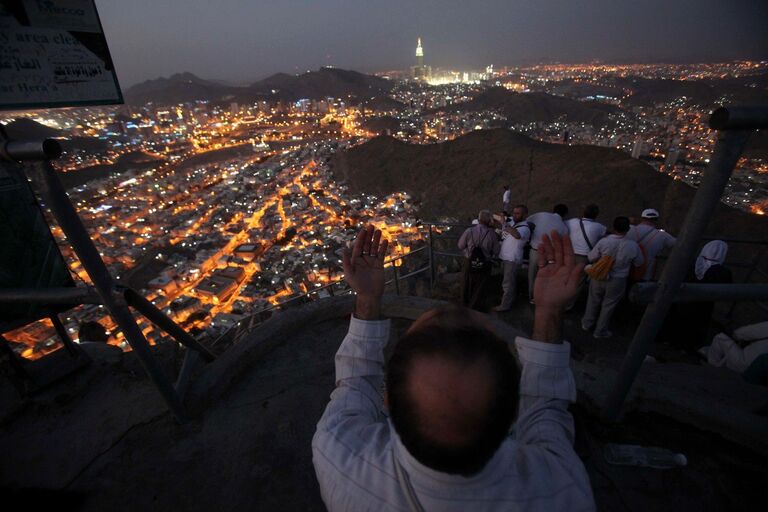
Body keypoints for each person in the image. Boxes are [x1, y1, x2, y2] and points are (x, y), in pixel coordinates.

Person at [312, 225, 595, 511]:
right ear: (514, 416)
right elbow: (546, 412)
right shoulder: (562, 491)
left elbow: (354, 383)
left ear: (386, 402)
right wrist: (548, 312)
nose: (453, 311)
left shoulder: (338, 451)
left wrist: (368, 299)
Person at [660, 240, 733, 352]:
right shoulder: (723, 272)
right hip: (704, 304)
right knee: (697, 323)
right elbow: (726, 289)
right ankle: (688, 345)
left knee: (678, 318)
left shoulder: (692, 264)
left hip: (683, 300)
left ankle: (670, 339)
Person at [581, 217, 644, 339]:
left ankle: (587, 323)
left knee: (593, 300)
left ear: (613, 227)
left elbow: (591, 257)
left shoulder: (604, 242)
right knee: (609, 305)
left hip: (599, 276)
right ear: (627, 229)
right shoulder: (633, 245)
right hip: (618, 279)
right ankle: (600, 331)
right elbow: (639, 262)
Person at [565, 204, 607, 309]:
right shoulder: (600, 227)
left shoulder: (572, 222)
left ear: (583, 212)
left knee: (564, 278)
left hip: (568, 254)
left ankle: (559, 300)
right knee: (577, 282)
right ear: (596, 215)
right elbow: (607, 235)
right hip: (584, 258)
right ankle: (568, 305)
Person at [457, 210, 500, 311]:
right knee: (480, 286)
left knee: (466, 283)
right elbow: (497, 251)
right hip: (485, 263)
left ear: (479, 219)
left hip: (469, 261)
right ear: (489, 220)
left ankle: (464, 306)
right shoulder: (492, 234)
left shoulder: (469, 231)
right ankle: (475, 308)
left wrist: (468, 251)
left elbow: (460, 245)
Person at [526, 204, 569, 302]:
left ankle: (531, 296)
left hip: (535, 251)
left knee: (532, 275)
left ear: (553, 209)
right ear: (565, 214)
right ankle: (540, 297)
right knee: (543, 276)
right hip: (549, 254)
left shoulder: (541, 214)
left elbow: (526, 222)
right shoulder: (564, 227)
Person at [495, 205, 531, 312]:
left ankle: (505, 306)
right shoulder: (513, 223)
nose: (514, 215)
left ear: (525, 215)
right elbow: (496, 217)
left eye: (518, 213)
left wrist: (505, 224)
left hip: (512, 259)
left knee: (508, 283)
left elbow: (517, 235)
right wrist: (502, 218)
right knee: (507, 282)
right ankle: (506, 301)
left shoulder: (525, 227)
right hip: (506, 258)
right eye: (514, 212)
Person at [700, 321, 768, 374]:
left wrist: (736, 334)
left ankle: (711, 366)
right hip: (756, 371)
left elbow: (751, 331)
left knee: (720, 338)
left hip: (742, 363)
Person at [627, 208, 676, 281]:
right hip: (646, 274)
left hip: (626, 271)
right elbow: (677, 244)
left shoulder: (629, 229)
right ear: (656, 220)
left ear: (642, 218)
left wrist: (629, 221)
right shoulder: (662, 235)